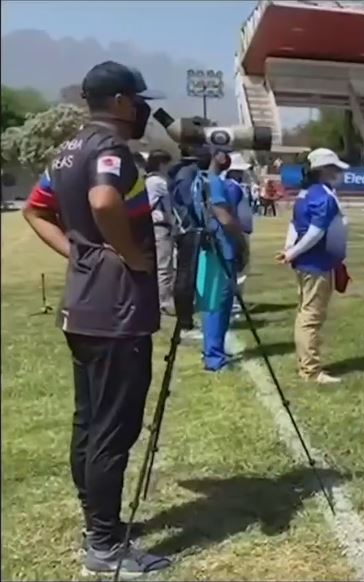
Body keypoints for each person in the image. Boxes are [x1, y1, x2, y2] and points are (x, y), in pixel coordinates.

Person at [20, 60, 172, 576]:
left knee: (89, 425)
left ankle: (97, 524)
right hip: (117, 312)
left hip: (83, 307)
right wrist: (128, 254)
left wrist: (78, 254)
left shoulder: (65, 151)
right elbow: (105, 200)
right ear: (125, 102)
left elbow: (35, 210)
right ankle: (105, 547)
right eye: (139, 100)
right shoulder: (109, 149)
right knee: (112, 430)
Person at [276, 148, 349, 384]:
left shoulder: (306, 194)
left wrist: (290, 250)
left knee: (306, 313)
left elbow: (294, 225)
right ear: (325, 171)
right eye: (336, 169)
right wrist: (293, 252)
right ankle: (311, 369)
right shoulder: (323, 197)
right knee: (311, 316)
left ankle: (307, 365)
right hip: (317, 263)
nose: (340, 174)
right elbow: (316, 232)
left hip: (311, 262)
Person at [194, 151, 248, 372]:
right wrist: (241, 241)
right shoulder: (213, 182)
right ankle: (214, 357)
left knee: (215, 301)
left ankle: (213, 350)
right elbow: (223, 216)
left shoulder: (199, 180)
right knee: (217, 303)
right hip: (220, 248)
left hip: (209, 247)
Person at [224, 153, 255, 319]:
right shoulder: (232, 187)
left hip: (240, 230)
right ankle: (234, 306)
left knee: (239, 269)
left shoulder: (234, 186)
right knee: (239, 269)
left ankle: (233, 305)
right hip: (238, 231)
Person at [144, 149, 175, 316]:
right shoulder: (158, 182)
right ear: (162, 163)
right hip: (160, 226)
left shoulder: (148, 180)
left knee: (157, 264)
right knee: (164, 266)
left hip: (153, 227)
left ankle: (157, 300)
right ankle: (164, 302)